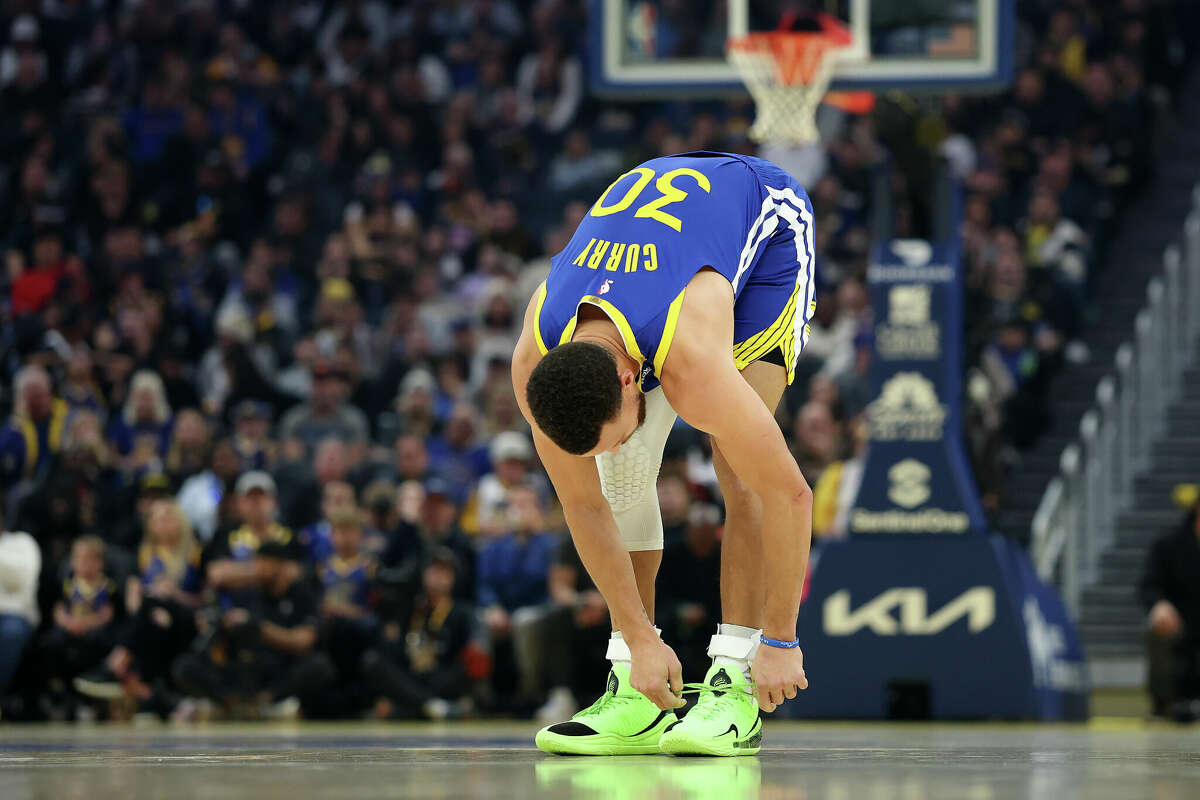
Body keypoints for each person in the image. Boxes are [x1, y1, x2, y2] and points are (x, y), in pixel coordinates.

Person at [511, 152, 814, 756]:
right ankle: (635, 688)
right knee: (618, 476)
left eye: (615, 427)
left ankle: (733, 682)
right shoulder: (534, 365)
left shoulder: (692, 357)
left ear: (630, 381)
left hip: (765, 225)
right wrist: (636, 634)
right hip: (656, 251)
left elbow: (791, 493)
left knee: (741, 469)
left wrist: (782, 642)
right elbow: (583, 506)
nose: (619, 438)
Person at [1140, 498, 1200, 720]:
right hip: (1179, 621)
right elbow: (1148, 585)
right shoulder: (1169, 545)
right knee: (1158, 628)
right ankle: (1163, 704)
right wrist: (1159, 605)